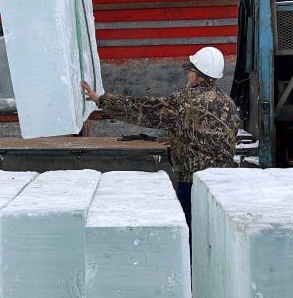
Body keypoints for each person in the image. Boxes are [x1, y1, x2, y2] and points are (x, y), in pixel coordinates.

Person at [80, 46, 240, 223]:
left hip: (193, 183)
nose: (187, 75)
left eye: (189, 71)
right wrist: (178, 138)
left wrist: (101, 100)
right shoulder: (229, 104)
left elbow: (143, 110)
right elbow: (213, 137)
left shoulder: (183, 102)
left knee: (192, 235)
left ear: (196, 75)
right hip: (224, 184)